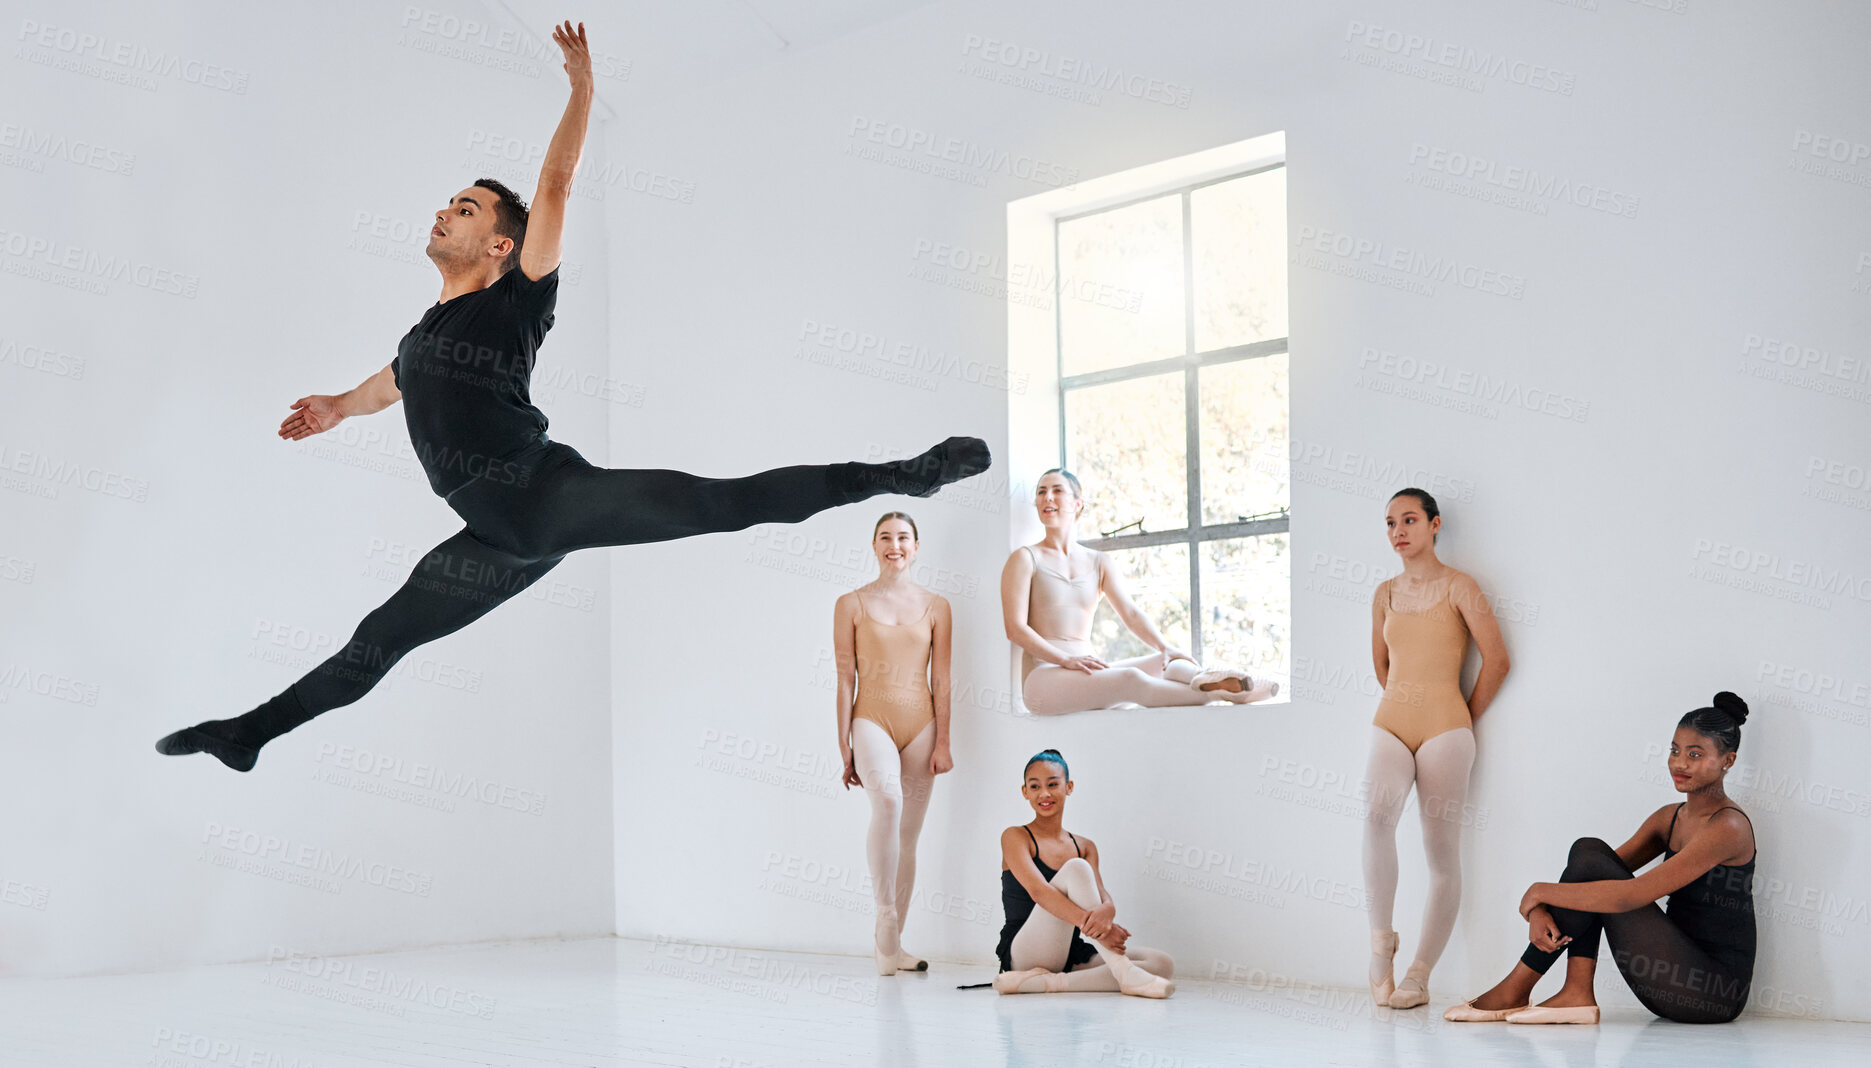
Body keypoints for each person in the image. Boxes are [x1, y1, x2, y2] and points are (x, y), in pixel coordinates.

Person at [156, 22, 990, 773]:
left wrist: (583, 90)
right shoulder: (424, 336)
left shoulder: (516, 298)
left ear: (502, 244)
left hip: (550, 495)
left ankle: (901, 476)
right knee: (376, 642)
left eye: (466, 208)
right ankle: (247, 734)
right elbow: (390, 384)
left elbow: (553, 186)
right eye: (448, 202)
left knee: (725, 503)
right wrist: (336, 405)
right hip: (497, 536)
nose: (444, 213)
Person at [1445, 693, 1758, 1025]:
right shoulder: (1669, 818)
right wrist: (1538, 908)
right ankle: (1575, 992)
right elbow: (1587, 872)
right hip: (1669, 965)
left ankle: (1519, 986)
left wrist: (1538, 891)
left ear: (1728, 761)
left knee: (1593, 866)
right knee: (1588, 851)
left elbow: (1629, 896)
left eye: (1695, 754)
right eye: (1674, 751)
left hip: (1711, 992)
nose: (1680, 763)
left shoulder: (1728, 826)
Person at [1364, 488, 1509, 1009]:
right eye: (1389, 523)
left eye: (1408, 520)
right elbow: (1381, 666)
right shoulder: (1383, 592)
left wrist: (1460, 717)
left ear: (1434, 524)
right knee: (1376, 818)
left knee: (1440, 854)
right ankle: (1382, 947)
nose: (1397, 531)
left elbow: (1497, 660)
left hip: (1448, 726)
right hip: (1392, 722)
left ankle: (1419, 975)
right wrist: (1405, 704)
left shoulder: (1460, 586)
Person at [1000, 469, 1277, 715]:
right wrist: (1066, 659)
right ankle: (1224, 694)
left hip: (1088, 672)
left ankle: (1210, 678)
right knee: (1130, 679)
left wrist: (1164, 647)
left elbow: (1131, 613)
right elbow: (1015, 629)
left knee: (1168, 662)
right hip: (1044, 678)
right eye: (1041, 492)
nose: (1047, 497)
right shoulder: (1025, 558)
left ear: (1078, 503)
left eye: (1057, 490)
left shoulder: (1099, 562)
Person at [834, 512, 953, 975]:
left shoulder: (937, 605)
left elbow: (941, 678)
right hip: (872, 719)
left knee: (909, 838)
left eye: (903, 537)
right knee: (886, 803)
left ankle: (894, 947)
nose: (895, 545)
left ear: (917, 547)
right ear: (874, 545)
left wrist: (944, 740)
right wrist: (843, 742)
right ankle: (885, 913)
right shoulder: (851, 603)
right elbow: (845, 678)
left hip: (921, 725)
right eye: (886, 537)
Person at [992, 750, 1175, 997]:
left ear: (1069, 787)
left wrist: (1109, 909)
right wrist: (1104, 932)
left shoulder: (1085, 846)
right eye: (1035, 787)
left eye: (1053, 784)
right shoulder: (1015, 836)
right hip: (1025, 950)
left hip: (1068, 950)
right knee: (1076, 868)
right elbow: (1039, 892)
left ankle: (1045, 983)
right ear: (1025, 792)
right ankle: (1123, 972)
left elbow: (1099, 896)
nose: (1044, 794)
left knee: (1161, 964)